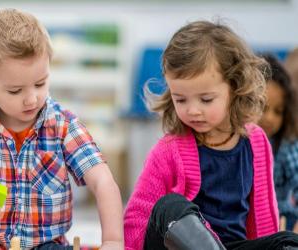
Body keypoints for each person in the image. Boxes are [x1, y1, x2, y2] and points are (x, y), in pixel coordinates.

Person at [0, 8, 123, 250]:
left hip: (44, 245)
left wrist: (113, 241)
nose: (32, 99)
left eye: (40, 83)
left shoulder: (63, 126)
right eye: (15, 90)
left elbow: (103, 182)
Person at [123, 21, 298, 250]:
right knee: (170, 206)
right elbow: (137, 216)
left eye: (206, 99)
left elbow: (264, 215)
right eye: (180, 99)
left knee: (286, 241)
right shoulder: (168, 150)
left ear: (234, 88)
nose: (193, 110)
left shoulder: (256, 141)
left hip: (232, 245)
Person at [259, 54, 298, 232]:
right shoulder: (237, 144)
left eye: (278, 111)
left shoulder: (285, 146)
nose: (270, 118)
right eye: (263, 107)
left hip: (283, 221)